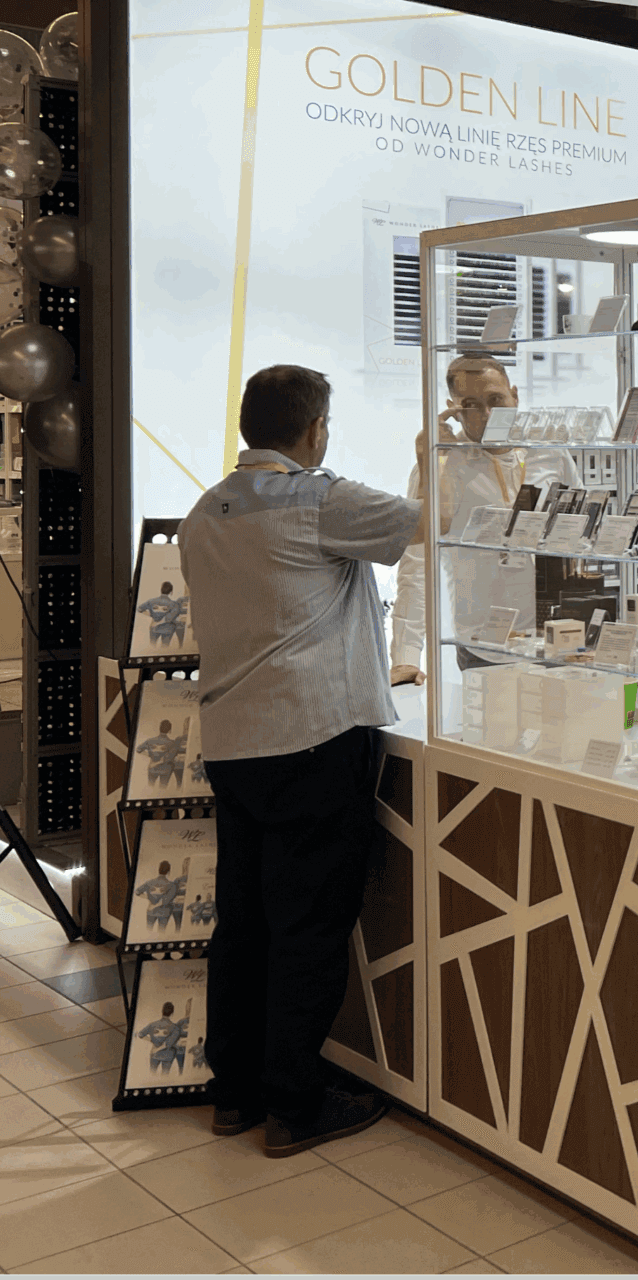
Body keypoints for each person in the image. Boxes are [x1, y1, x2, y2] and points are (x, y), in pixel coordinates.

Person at [181, 363, 421, 1155]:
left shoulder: (205, 510)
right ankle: (295, 1101)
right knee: (308, 926)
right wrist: (441, 451)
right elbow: (426, 523)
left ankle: (235, 1090)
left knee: (243, 922)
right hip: (312, 738)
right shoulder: (320, 499)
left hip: (233, 743)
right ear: (315, 429)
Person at [390, 354, 578, 684]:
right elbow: (417, 565)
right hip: (484, 646)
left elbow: (579, 530)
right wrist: (406, 656)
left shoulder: (550, 453)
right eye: (471, 405)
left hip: (555, 636)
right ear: (453, 408)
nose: (488, 414)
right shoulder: (443, 464)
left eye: (496, 400)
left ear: (514, 396)